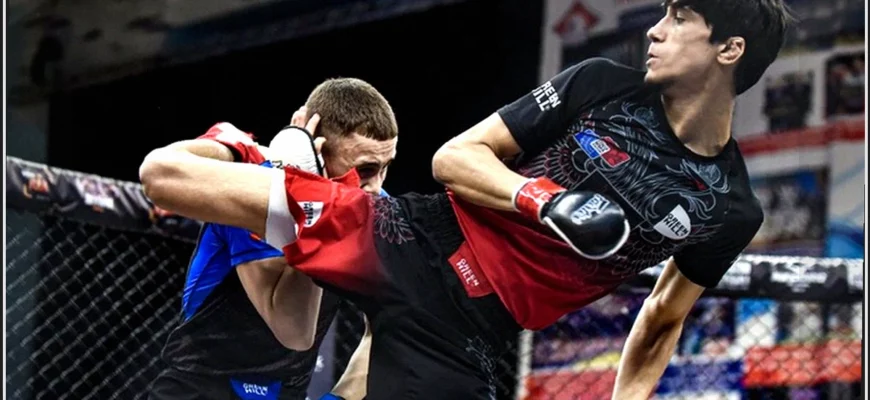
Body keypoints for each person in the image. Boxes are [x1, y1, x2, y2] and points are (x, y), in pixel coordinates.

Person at [139, 1, 790, 398]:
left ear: (729, 49)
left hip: (466, 333)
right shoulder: (601, 85)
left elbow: (663, 319)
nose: (655, 30)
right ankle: (260, 154)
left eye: (680, 17)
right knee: (170, 177)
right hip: (406, 238)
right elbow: (452, 159)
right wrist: (542, 200)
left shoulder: (730, 210)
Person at [148, 78, 399, 400]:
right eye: (365, 170)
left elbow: (393, 321)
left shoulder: (378, 212)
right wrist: (313, 202)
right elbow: (294, 331)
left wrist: (341, 398)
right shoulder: (254, 188)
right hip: (201, 390)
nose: (376, 186)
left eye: (386, 168)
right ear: (317, 148)